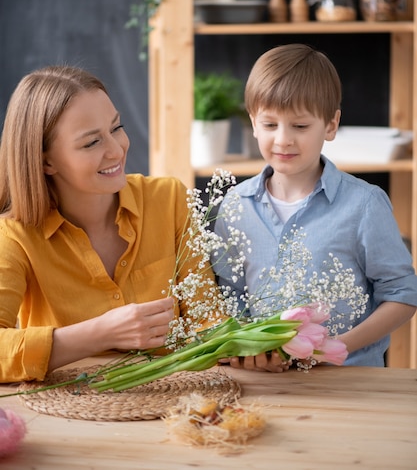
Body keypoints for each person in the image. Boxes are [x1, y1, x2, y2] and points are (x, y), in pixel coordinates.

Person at [0, 65, 221, 383]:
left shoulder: (169, 199)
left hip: (175, 400)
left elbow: (208, 319)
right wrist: (101, 333)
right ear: (46, 160)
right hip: (66, 415)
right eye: (91, 143)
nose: (117, 150)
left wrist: (252, 346)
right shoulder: (14, 235)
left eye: (116, 128)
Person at [213, 43, 417, 368]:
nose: (283, 140)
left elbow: (402, 295)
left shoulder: (364, 204)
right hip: (267, 383)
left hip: (350, 382)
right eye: (269, 124)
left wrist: (333, 348)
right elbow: (231, 292)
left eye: (300, 126)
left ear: (331, 125)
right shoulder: (235, 205)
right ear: (252, 123)